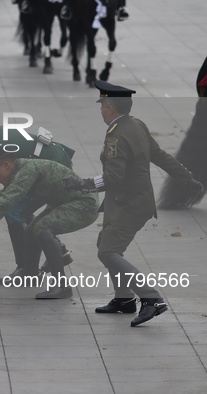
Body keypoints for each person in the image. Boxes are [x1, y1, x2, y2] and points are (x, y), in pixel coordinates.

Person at [65, 81, 203, 326]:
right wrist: (187, 177)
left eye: (102, 106)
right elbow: (159, 155)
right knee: (106, 244)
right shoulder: (136, 124)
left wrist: (82, 185)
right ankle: (124, 299)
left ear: (109, 107)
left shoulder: (116, 136)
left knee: (108, 251)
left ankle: (151, 299)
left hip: (128, 203)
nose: (101, 111)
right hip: (133, 201)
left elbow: (113, 177)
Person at [0, 150, 99, 299]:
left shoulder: (28, 170)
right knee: (31, 229)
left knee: (43, 229)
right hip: (63, 202)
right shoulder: (19, 171)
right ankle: (30, 274)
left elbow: (7, 202)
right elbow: (0, 200)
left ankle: (62, 286)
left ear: (6, 165)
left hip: (84, 204)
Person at [0, 112, 76, 279]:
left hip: (54, 171)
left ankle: (26, 270)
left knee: (14, 211)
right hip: (47, 164)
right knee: (21, 210)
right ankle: (59, 251)